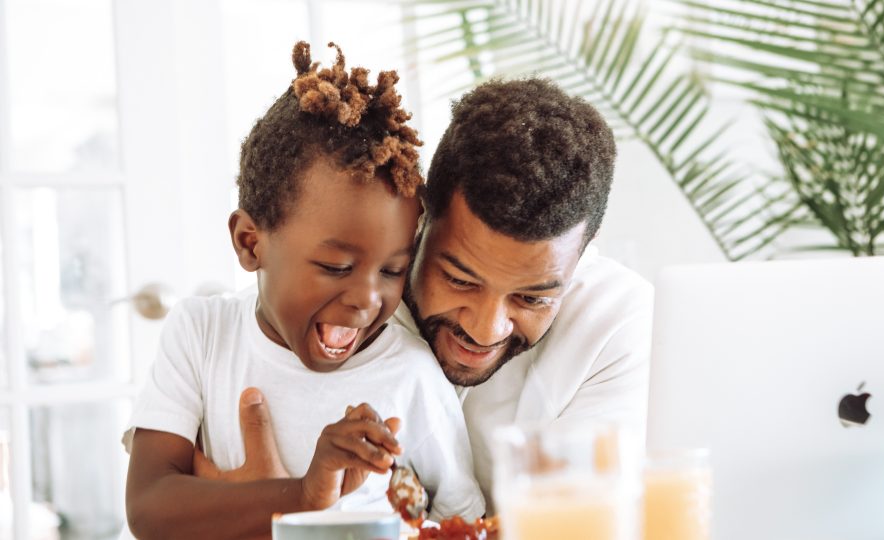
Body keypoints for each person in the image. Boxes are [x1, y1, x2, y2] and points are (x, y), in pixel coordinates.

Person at [205, 77, 654, 512]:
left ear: (579, 259)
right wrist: (250, 506)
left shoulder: (615, 322)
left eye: (531, 299)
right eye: (460, 280)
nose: (484, 330)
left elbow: (577, 525)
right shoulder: (345, 307)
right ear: (420, 220)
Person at [123, 41, 484, 539]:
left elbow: (464, 521)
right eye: (336, 266)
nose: (366, 298)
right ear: (251, 244)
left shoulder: (411, 376)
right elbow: (149, 508)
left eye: (392, 270)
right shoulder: (201, 336)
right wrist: (306, 495)